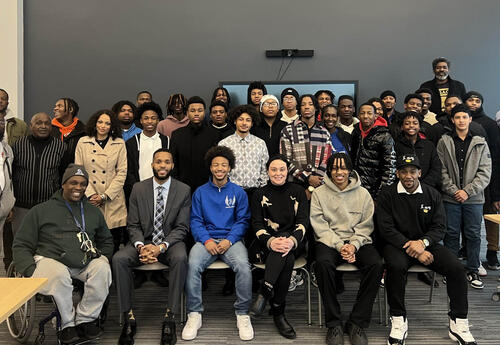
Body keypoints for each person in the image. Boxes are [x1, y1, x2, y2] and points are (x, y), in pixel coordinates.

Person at [377, 154, 477, 345]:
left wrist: (422, 244)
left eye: (413, 171)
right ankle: (398, 319)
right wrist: (414, 247)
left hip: (427, 244)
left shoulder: (432, 194)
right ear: (397, 173)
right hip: (397, 245)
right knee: (395, 267)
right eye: (404, 172)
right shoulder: (387, 194)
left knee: (456, 268)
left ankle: (458, 322)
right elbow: (385, 228)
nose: (408, 176)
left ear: (419, 173)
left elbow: (439, 227)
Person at [13, 165, 113, 345]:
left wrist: (102, 256)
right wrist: (29, 269)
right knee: (59, 274)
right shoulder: (41, 210)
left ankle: (85, 319)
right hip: (50, 260)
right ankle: (67, 324)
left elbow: (106, 241)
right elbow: (21, 244)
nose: (79, 187)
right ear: (64, 184)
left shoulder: (92, 211)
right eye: (73, 183)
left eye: (83, 184)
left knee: (103, 268)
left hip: (83, 261)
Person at [113, 148, 190, 345]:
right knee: (119, 259)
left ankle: (170, 316)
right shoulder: (138, 188)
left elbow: (182, 227)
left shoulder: (183, 190)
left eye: (166, 162)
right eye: (158, 161)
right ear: (152, 165)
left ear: (172, 165)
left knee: (181, 258)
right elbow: (133, 224)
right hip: (143, 241)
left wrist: (161, 247)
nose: (162, 165)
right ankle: (128, 317)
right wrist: (141, 247)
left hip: (169, 243)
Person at [182, 146, 254, 341]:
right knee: (192, 265)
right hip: (207, 240)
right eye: (216, 165)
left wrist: (229, 240)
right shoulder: (200, 192)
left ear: (230, 167)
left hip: (231, 240)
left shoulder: (238, 192)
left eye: (224, 165)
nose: (220, 168)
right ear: (210, 168)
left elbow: (243, 221)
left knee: (243, 267)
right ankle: (194, 314)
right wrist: (206, 240)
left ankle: (243, 313)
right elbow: (195, 220)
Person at [311, 152, 383, 345]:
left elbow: (366, 225)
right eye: (334, 168)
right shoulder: (319, 193)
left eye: (343, 168)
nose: (339, 172)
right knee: (322, 264)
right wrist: (340, 245)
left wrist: (353, 244)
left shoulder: (363, 194)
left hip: (358, 241)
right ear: (329, 170)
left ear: (350, 170)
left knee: (376, 264)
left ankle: (357, 322)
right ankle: (334, 323)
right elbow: (320, 226)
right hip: (330, 241)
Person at [249, 155, 309, 339]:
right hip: (266, 243)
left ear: (287, 172)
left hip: (294, 241)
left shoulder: (298, 191)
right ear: (267, 172)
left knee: (285, 247)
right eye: (274, 170)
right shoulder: (259, 194)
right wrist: (270, 241)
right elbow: (257, 224)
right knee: (287, 257)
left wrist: (291, 240)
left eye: (282, 169)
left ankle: (265, 291)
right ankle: (278, 311)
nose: (278, 173)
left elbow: (303, 221)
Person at [437, 104, 491, 289]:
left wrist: (467, 191)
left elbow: (485, 172)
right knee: (451, 234)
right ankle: (452, 270)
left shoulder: (480, 142)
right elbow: (440, 170)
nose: (461, 120)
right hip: (450, 198)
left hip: (474, 199)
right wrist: (454, 190)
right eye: (457, 117)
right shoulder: (444, 141)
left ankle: (473, 269)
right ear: (452, 120)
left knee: (473, 235)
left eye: (464, 117)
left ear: (470, 119)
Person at [75, 109, 127, 254]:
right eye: (100, 122)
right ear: (94, 123)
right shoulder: (83, 142)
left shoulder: (119, 143)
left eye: (107, 123)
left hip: (112, 200)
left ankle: (112, 276)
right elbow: (79, 171)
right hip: (89, 199)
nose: (103, 126)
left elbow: (122, 172)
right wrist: (92, 195)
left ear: (112, 126)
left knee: (112, 245)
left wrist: (104, 196)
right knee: (90, 244)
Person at [11, 113, 68, 232]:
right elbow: (11, 174)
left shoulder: (60, 147)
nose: (43, 126)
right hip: (21, 206)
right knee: (21, 243)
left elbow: (65, 176)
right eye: (39, 123)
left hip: (49, 206)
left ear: (51, 127)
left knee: (47, 244)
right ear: (31, 126)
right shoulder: (18, 145)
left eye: (47, 123)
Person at [464, 91, 500, 270]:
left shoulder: (490, 124)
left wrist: (495, 192)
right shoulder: (460, 120)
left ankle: (492, 253)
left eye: (477, 100)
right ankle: (469, 253)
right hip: (466, 179)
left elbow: (495, 155)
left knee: (490, 216)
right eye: (470, 100)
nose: (473, 103)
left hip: (487, 176)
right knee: (471, 221)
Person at [280, 94, 332, 199]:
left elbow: (327, 159)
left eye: (310, 104)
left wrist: (315, 181)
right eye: (303, 104)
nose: (307, 107)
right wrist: (307, 177)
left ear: (316, 108)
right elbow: (285, 160)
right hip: (295, 184)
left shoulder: (324, 132)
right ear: (299, 108)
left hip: (319, 186)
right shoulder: (288, 130)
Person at [170, 96, 221, 192]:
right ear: (187, 113)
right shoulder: (177, 134)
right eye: (193, 111)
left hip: (208, 186)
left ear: (205, 112)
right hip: (182, 186)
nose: (196, 113)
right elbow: (173, 162)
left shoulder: (214, 134)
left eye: (200, 110)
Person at [124, 102, 169, 201]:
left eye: (153, 118)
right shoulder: (132, 142)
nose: (149, 121)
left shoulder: (167, 141)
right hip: (140, 191)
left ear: (158, 120)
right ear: (141, 120)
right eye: (146, 118)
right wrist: (136, 189)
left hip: (163, 191)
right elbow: (129, 170)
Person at [350, 102, 396, 199]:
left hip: (375, 190)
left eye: (369, 113)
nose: (366, 116)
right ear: (358, 115)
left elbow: (390, 168)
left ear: (376, 116)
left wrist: (381, 194)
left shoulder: (384, 136)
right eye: (362, 113)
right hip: (356, 187)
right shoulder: (356, 132)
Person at [220, 105, 268, 191]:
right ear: (235, 121)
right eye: (241, 119)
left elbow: (264, 169)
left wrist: (262, 190)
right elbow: (221, 169)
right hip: (231, 191)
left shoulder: (260, 143)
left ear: (252, 123)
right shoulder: (224, 144)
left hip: (255, 191)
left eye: (248, 120)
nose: (244, 123)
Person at [394, 111, 441, 189]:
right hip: (402, 188)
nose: (411, 126)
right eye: (407, 123)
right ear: (402, 127)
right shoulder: (396, 146)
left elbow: (436, 168)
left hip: (426, 188)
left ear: (419, 126)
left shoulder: (429, 145)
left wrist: (423, 186)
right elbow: (393, 169)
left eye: (415, 123)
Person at [0, 111, 15, 270]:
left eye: (2, 122)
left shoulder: (7, 149)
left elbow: (9, 178)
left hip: (3, 208)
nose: (1, 125)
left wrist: (10, 203)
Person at [51, 97, 85, 163]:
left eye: (60, 106)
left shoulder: (83, 132)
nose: (55, 108)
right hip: (53, 172)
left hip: (74, 171)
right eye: (55, 106)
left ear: (70, 109)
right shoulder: (49, 130)